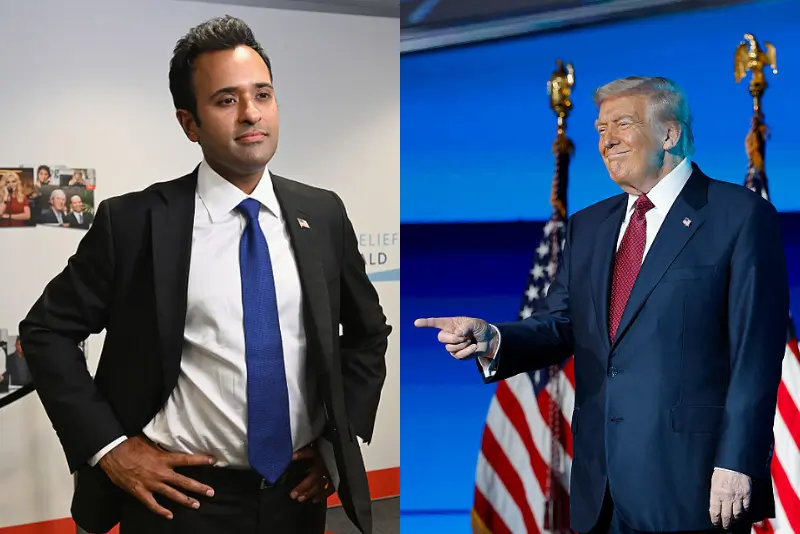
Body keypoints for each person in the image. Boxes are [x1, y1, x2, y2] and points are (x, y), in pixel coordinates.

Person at [19, 15, 391, 534]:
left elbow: (369, 333)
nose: (250, 114)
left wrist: (335, 437)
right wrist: (111, 449)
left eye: (262, 94)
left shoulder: (322, 214)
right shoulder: (133, 224)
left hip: (296, 498)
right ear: (189, 123)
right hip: (179, 504)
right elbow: (46, 332)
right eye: (225, 100)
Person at [415, 76, 788, 534]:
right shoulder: (591, 225)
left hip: (694, 484)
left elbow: (756, 354)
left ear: (669, 134)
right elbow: (561, 323)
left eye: (622, 124)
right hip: (601, 488)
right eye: (599, 129)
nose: (606, 140)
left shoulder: (739, 216)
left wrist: (738, 462)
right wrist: (495, 338)